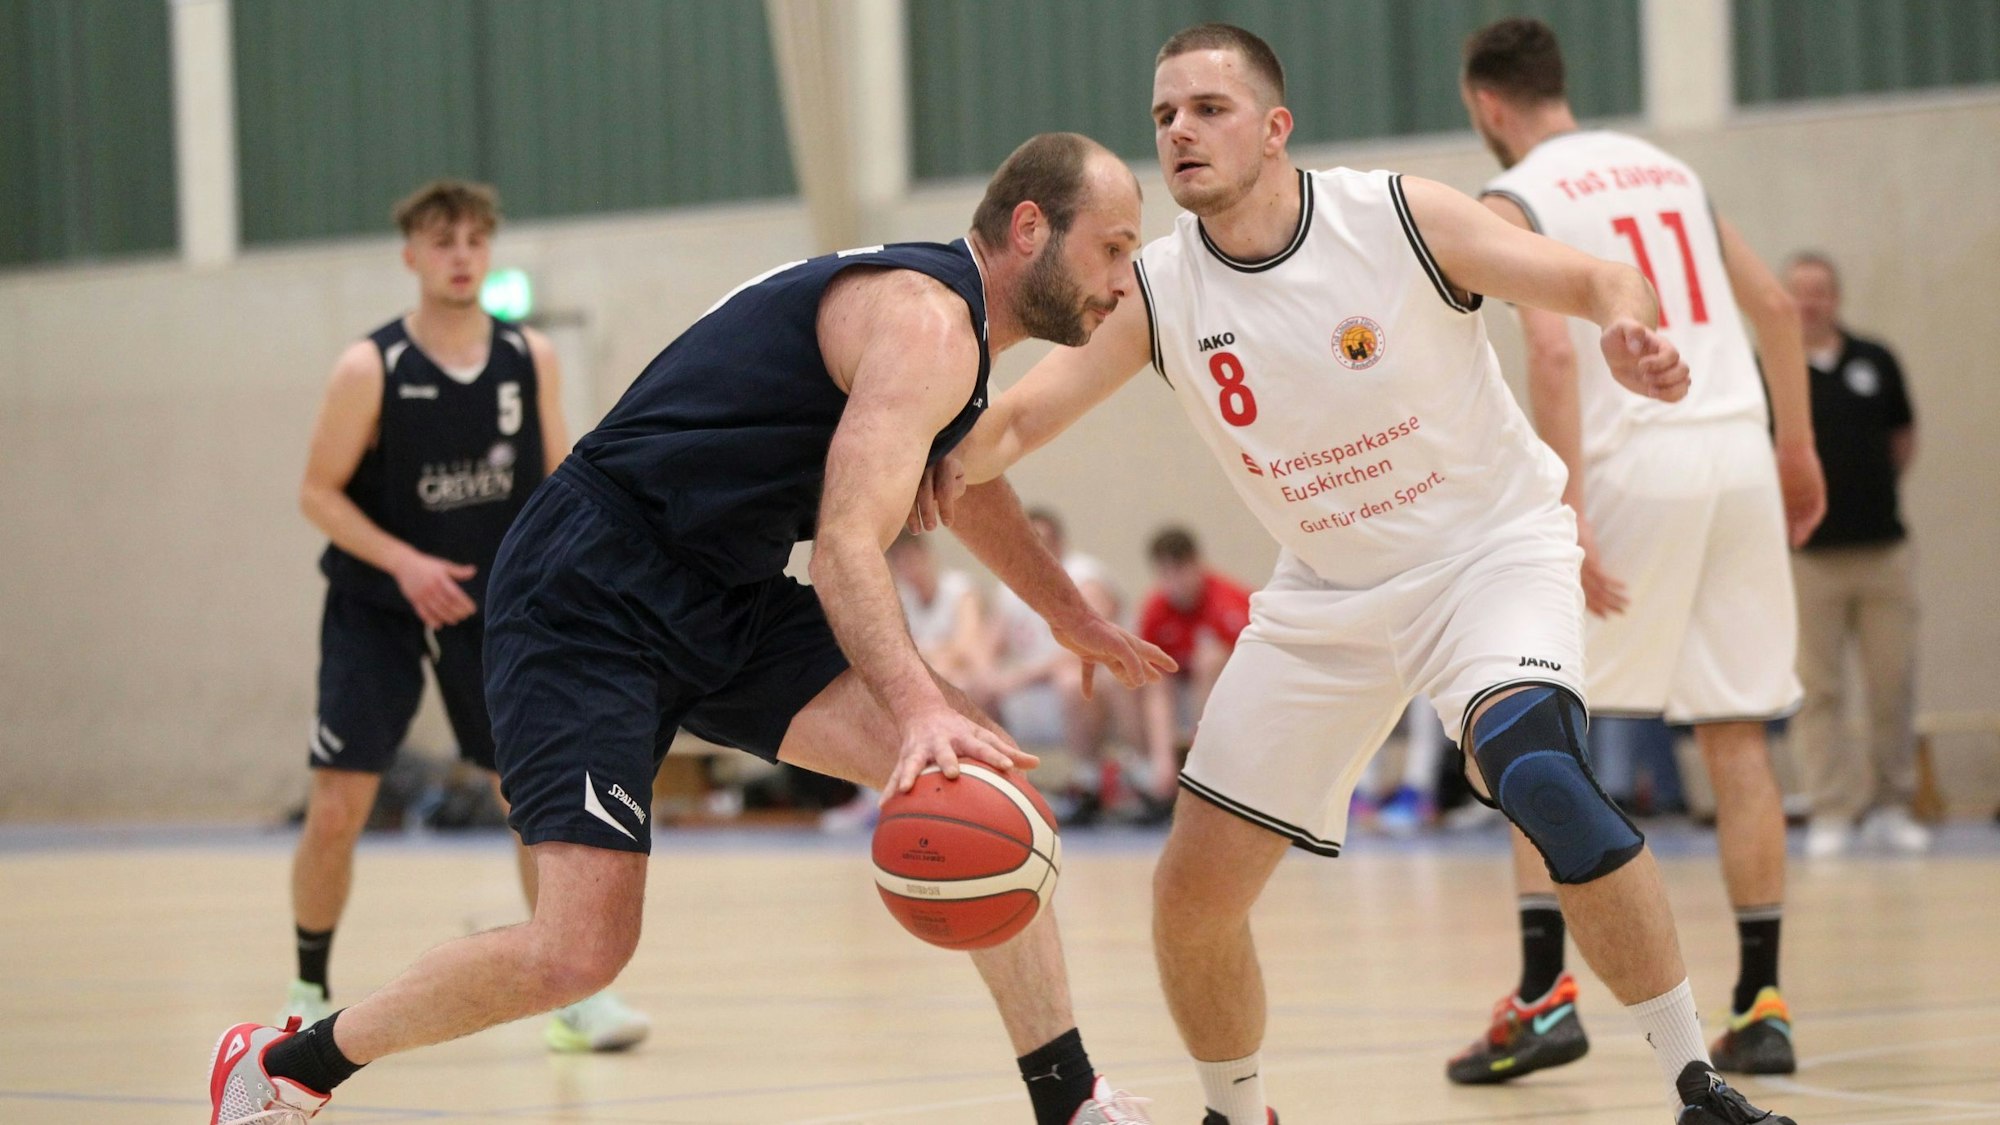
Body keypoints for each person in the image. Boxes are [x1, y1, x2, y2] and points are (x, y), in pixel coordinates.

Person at [922, 24, 1795, 1125]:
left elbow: (1598, 274)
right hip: (1326, 594)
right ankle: (1238, 1114)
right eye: (1162, 117)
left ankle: (1691, 1082)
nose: (1179, 131)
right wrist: (908, 455)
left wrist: (1626, 328)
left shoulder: (1394, 215)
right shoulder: (1154, 289)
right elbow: (1013, 425)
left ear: (1274, 128)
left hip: (1487, 554)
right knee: (1189, 901)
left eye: (1207, 108)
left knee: (1538, 773)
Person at [207, 133, 1171, 1125]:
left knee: (978, 783)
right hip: (590, 588)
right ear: (1027, 230)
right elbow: (845, 546)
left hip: (722, 589)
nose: (1120, 279)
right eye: (1110, 247)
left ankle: (1068, 1099)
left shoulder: (949, 335)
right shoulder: (926, 322)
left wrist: (1068, 613)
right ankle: (288, 1063)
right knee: (580, 951)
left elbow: (967, 485)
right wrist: (917, 703)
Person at [1457, 16, 1827, 1082]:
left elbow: (1551, 356)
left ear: (1487, 105)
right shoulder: (1666, 165)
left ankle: (1541, 997)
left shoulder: (1515, 192)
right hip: (1734, 454)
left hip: (1631, 460)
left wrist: (1562, 509)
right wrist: (1792, 447)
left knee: (1527, 726)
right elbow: (1769, 307)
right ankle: (1760, 999)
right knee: (1735, 730)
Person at [287, 179, 649, 1054]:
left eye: (475, 240)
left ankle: (572, 990)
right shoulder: (369, 368)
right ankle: (305, 983)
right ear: (411, 255)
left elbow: (563, 478)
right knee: (340, 801)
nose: (461, 255)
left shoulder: (530, 359)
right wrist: (405, 561)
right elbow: (317, 493)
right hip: (378, 604)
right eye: (442, 240)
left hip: (492, 606)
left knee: (529, 793)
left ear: (489, 253)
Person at [1785, 250, 1926, 857]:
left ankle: (1892, 806)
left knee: (1891, 685)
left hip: (1883, 552)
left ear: (1836, 297)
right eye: (1799, 292)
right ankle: (1830, 811)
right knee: (1818, 691)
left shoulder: (1876, 360)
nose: (1810, 302)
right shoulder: (1775, 367)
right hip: (1810, 558)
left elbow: (1903, 437)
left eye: (1821, 291)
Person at [982, 508, 1138, 822]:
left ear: (1059, 543)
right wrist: (985, 672)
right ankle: (1001, 784)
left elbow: (1090, 645)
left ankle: (1088, 780)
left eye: (1043, 540)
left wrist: (1024, 675)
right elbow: (988, 643)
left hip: (1094, 680)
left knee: (1071, 680)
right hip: (1036, 687)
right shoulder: (1013, 581)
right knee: (978, 685)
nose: (1035, 547)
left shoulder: (1085, 576)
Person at [1135, 527, 1250, 814]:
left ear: (1197, 564)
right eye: (1165, 574)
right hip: (1180, 687)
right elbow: (1155, 681)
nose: (1174, 583)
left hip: (1231, 689)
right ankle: (1157, 766)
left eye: (1180, 571)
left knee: (1210, 659)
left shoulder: (1230, 601)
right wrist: (1163, 755)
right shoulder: (1156, 608)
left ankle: (1204, 759)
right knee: (1144, 674)